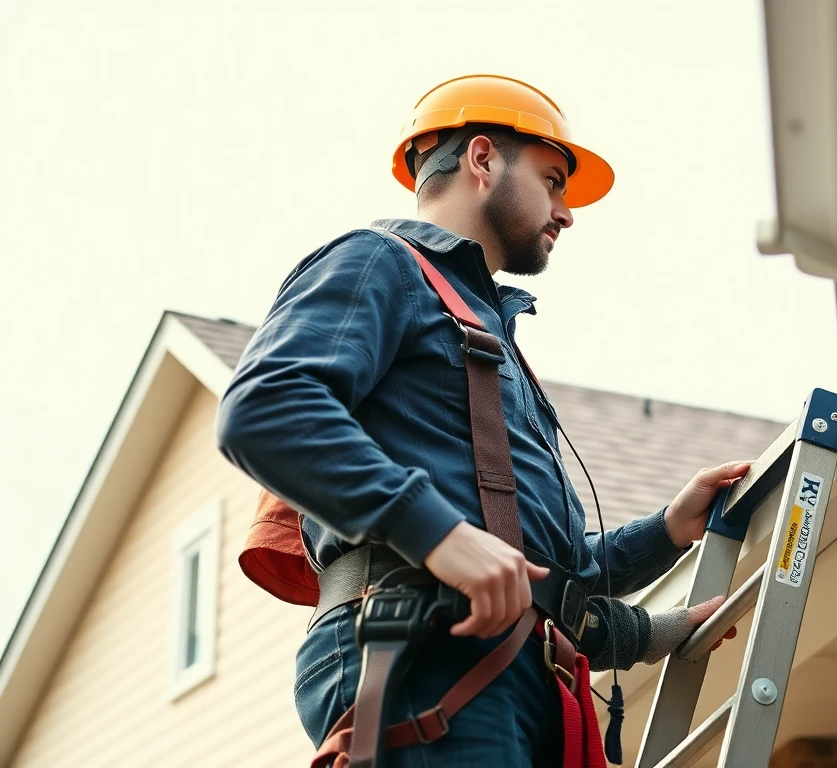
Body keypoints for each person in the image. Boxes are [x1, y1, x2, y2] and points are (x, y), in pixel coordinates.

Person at [215, 74, 746, 767]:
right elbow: (265, 405)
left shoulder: (488, 337)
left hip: (512, 669)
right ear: (484, 158)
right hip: (422, 645)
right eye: (553, 180)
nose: (567, 210)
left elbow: (545, 573)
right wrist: (439, 535)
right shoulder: (380, 262)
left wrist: (667, 541)